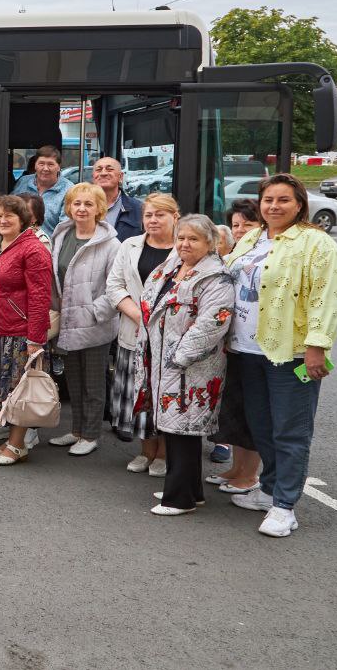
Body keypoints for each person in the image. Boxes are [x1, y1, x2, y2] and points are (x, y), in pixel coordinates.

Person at [225, 174, 337, 537]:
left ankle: (285, 505)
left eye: (283, 200)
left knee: (291, 430)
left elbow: (326, 297)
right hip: (246, 349)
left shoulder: (316, 243)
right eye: (268, 200)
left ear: (299, 205)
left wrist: (317, 346)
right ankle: (269, 489)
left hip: (290, 353)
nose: (274, 206)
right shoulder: (251, 237)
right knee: (261, 426)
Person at [135, 214, 236, 516]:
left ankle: (178, 498)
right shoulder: (172, 267)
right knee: (178, 429)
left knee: (183, 429)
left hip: (191, 366)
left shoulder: (217, 277)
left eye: (193, 239)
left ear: (210, 243)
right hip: (163, 359)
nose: (184, 244)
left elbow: (211, 325)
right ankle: (190, 489)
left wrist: (178, 357)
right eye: (181, 238)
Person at [0, 196, 52, 466]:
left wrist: (35, 337)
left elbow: (40, 296)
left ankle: (18, 445)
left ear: (23, 220)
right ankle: (10, 440)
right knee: (3, 390)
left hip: (21, 333)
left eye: (9, 216)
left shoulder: (33, 249)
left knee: (18, 389)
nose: (3, 220)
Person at [107, 193, 178, 473]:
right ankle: (146, 451)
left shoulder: (184, 247)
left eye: (160, 214)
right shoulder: (130, 245)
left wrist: (156, 321)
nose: (153, 220)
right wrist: (139, 315)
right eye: (148, 215)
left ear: (175, 217)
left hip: (172, 337)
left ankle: (163, 455)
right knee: (140, 394)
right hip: (134, 331)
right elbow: (115, 286)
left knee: (164, 394)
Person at [48, 183, 121, 455]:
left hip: (94, 324)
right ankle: (76, 430)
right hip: (67, 321)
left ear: (99, 209)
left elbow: (116, 284)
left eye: (88, 204)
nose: (81, 208)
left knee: (93, 383)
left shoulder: (111, 244)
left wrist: (94, 312)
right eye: (76, 203)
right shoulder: (62, 235)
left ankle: (90, 435)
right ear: (69, 207)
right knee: (74, 381)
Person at [206, 198, 264, 484]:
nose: (240, 230)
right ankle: (237, 469)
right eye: (236, 224)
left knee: (253, 412)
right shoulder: (236, 253)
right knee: (237, 410)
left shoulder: (263, 254)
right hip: (234, 344)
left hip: (256, 345)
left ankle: (249, 476)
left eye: (248, 224)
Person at [12, 145, 74, 236]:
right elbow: (9, 211)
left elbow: (65, 229)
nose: (45, 168)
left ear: (59, 167)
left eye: (50, 164)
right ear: (35, 165)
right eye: (41, 164)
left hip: (49, 247)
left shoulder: (69, 190)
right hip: (17, 244)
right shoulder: (23, 182)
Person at [91, 157, 143, 240]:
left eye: (109, 169)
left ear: (120, 176)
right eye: (99, 170)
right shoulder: (81, 207)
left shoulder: (139, 209)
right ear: (93, 177)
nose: (103, 173)